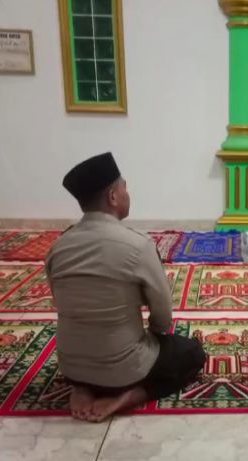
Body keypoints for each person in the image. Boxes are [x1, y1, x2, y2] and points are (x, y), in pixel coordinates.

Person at [45, 152, 206, 423]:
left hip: (71, 366)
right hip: (123, 371)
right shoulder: (137, 245)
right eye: (125, 187)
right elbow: (163, 314)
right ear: (113, 196)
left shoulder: (57, 247)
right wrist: (156, 334)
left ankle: (81, 387)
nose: (127, 194)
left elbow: (58, 300)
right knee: (191, 353)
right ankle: (130, 396)